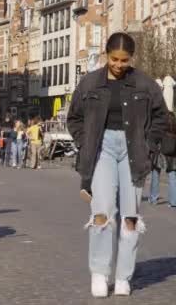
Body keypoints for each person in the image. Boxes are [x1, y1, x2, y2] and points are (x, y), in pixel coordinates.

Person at [67, 32, 168, 298]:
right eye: (114, 59)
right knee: (102, 212)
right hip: (101, 149)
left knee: (130, 217)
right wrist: (84, 142)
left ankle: (123, 276)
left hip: (134, 149)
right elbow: (74, 117)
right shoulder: (89, 83)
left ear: (130, 58)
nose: (119, 65)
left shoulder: (145, 85)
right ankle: (100, 272)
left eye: (124, 60)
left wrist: (149, 145)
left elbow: (161, 117)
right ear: (106, 55)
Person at [148, 113, 176, 207]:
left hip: (160, 155)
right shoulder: (174, 131)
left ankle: (154, 199)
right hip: (172, 157)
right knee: (172, 177)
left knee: (155, 175)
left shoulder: (160, 130)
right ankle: (173, 202)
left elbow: (154, 141)